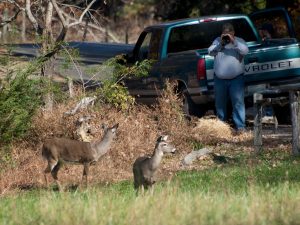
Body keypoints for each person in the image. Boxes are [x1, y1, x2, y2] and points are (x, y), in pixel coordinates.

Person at [208, 23, 249, 133]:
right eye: (224, 33)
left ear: (233, 32)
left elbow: (245, 51)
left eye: (229, 33)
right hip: (220, 79)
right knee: (220, 104)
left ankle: (240, 127)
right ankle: (222, 128)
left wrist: (233, 41)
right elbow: (210, 52)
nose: (227, 35)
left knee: (238, 102)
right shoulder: (217, 41)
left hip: (236, 79)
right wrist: (221, 44)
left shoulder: (239, 41)